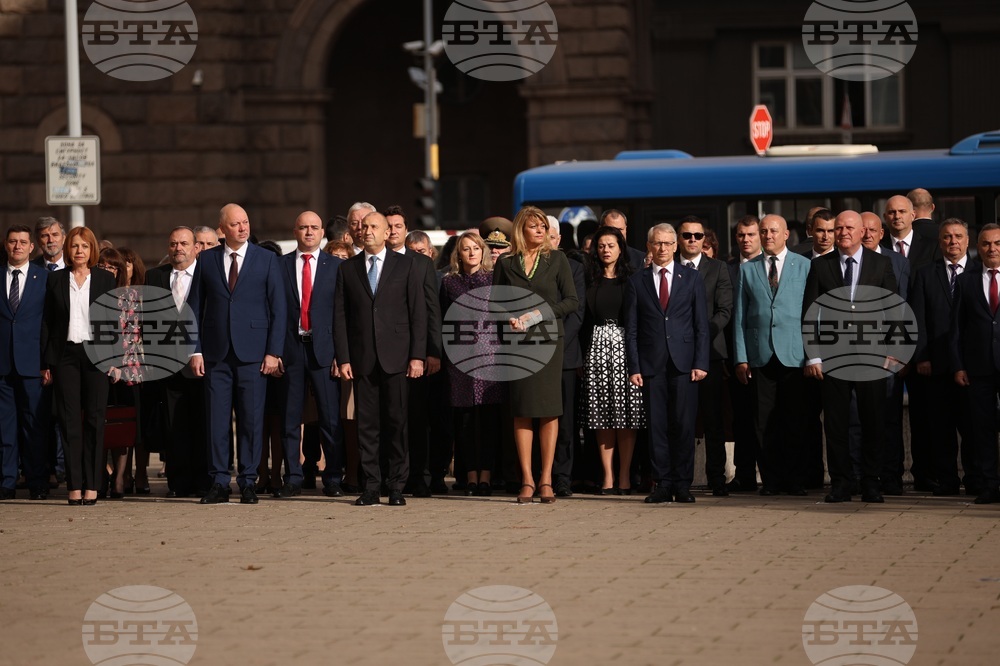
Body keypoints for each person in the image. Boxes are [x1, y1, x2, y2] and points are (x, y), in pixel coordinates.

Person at [190, 204, 286, 505]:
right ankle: (219, 482)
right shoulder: (206, 260)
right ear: (222, 229)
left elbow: (278, 309)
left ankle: (247, 481)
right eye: (235, 224)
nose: (242, 228)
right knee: (217, 420)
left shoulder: (267, 259)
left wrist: (273, 352)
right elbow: (194, 307)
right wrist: (196, 350)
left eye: (245, 222)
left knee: (252, 420)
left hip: (254, 354)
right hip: (216, 353)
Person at [804, 210, 898, 504]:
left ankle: (871, 482)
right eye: (838, 228)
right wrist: (813, 357)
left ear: (862, 232)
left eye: (848, 228)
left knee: (872, 422)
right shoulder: (821, 266)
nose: (843, 232)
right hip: (833, 359)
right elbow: (810, 314)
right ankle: (841, 483)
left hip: (872, 358)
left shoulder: (881, 263)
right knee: (836, 423)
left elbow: (894, 309)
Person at [334, 211, 427, 507]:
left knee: (397, 423)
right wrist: (344, 357)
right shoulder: (347, 269)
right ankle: (371, 485)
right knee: (367, 426)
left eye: (374, 226)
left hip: (397, 357)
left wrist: (417, 356)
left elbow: (418, 314)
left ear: (387, 233)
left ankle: (397, 485)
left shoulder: (407, 265)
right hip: (362, 359)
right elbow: (340, 316)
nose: (367, 231)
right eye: (364, 226)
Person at [493, 206, 579, 503]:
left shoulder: (557, 259)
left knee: (548, 409)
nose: (540, 230)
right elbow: (495, 302)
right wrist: (511, 319)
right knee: (522, 410)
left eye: (543, 225)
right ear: (521, 230)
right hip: (517, 343)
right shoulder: (505, 262)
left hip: (548, 342)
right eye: (534, 226)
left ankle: (546, 479)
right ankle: (527, 480)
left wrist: (538, 314)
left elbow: (571, 301)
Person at [625, 223, 708, 503]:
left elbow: (701, 325)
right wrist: (634, 366)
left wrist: (701, 362)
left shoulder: (692, 278)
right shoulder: (637, 281)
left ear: (676, 246)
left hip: (685, 363)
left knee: (684, 425)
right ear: (649, 246)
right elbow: (632, 328)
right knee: (657, 425)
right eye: (657, 243)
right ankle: (662, 482)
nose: (662, 248)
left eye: (667, 243)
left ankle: (683, 483)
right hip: (650, 364)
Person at [733, 214, 810, 496]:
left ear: (787, 234)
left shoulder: (804, 266)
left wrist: (812, 355)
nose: (767, 236)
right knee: (763, 421)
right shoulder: (748, 269)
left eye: (773, 231)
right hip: (760, 354)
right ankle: (771, 480)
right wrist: (741, 357)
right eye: (763, 231)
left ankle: (794, 479)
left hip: (794, 354)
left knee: (794, 420)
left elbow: (811, 314)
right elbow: (741, 316)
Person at [41, 226, 118, 505]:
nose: (79, 252)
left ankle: (93, 486)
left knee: (96, 421)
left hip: (97, 356)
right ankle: (74, 486)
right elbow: (48, 322)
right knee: (69, 421)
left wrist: (115, 360)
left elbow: (114, 322)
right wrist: (46, 362)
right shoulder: (56, 280)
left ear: (92, 249)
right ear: (67, 250)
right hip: (66, 357)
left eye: (84, 246)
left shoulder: (105, 279)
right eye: (74, 246)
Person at [276, 211, 344, 498]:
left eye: (314, 227)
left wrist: (342, 355)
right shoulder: (278, 265)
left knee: (330, 418)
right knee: (290, 418)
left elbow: (342, 314)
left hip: (325, 351)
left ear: (322, 233)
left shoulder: (338, 266)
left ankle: (332, 478)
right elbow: (274, 312)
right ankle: (293, 477)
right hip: (291, 350)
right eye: (303, 227)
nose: (309, 232)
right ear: (295, 231)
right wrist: (274, 351)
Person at [910, 219, 979, 497]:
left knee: (973, 428)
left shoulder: (979, 273)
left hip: (971, 366)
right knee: (941, 429)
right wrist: (922, 356)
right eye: (947, 237)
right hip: (935, 366)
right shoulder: (926, 274)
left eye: (958, 236)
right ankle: (947, 480)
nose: (953, 242)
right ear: (940, 242)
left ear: (967, 240)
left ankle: (975, 479)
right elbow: (918, 319)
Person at [384, 205, 444, 497]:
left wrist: (433, 352)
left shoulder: (421, 264)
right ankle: (392, 475)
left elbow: (432, 310)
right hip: (384, 355)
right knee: (389, 419)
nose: (393, 230)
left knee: (417, 418)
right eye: (389, 226)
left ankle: (419, 476)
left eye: (398, 226)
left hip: (417, 354)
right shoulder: (376, 261)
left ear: (405, 229)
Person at [145, 227, 207, 499]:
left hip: (202, 361)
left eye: (183, 243)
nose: (178, 248)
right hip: (168, 364)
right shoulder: (154, 276)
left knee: (203, 422)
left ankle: (204, 480)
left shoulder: (207, 275)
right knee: (174, 425)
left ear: (196, 248)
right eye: (173, 244)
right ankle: (179, 482)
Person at [581, 226, 644, 494]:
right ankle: (607, 476)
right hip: (595, 350)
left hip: (625, 350)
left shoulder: (633, 279)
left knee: (626, 415)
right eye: (601, 245)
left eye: (611, 245)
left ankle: (625, 476)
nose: (606, 250)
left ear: (621, 248)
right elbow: (584, 321)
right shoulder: (589, 279)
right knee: (600, 415)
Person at [440, 232, 503, 495]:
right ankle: (470, 476)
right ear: (459, 254)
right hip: (461, 357)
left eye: (476, 248)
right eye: (466, 249)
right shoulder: (449, 283)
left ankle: (486, 475)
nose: (472, 253)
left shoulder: (493, 279)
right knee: (464, 420)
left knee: (488, 420)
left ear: (483, 251)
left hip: (491, 354)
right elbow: (443, 320)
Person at [676, 216, 732, 496]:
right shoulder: (669, 268)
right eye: (687, 236)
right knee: (681, 420)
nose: (693, 240)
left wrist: (700, 336)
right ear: (679, 239)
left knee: (713, 421)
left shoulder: (718, 268)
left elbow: (724, 311)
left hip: (710, 354)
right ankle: (679, 479)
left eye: (698, 236)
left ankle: (717, 479)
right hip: (676, 356)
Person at [950, 223, 1000, 505]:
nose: (991, 249)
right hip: (978, 369)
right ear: (977, 247)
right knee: (981, 430)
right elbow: (957, 327)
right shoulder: (967, 281)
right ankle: (989, 485)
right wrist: (958, 365)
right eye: (985, 244)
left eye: (997, 243)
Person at [0, 225, 47, 500]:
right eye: (12, 242)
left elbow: (49, 324)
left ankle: (37, 480)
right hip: (3, 366)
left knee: (34, 426)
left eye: (23, 242)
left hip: (33, 364)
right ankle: (7, 481)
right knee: (4, 427)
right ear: (6, 245)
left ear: (32, 247)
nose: (17, 246)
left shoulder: (44, 278)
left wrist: (47, 363)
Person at [547, 218, 587, 497]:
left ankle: (563, 476)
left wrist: (556, 344)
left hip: (564, 354)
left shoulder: (574, 268)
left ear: (558, 239)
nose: (544, 239)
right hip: (532, 353)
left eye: (549, 235)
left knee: (566, 421)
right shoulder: (526, 266)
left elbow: (577, 314)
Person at [724, 216, 762, 493]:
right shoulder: (727, 270)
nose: (745, 240)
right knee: (743, 420)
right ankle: (744, 475)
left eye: (750, 234)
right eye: (741, 235)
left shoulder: (772, 267)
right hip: (736, 358)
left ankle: (775, 474)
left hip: (770, 355)